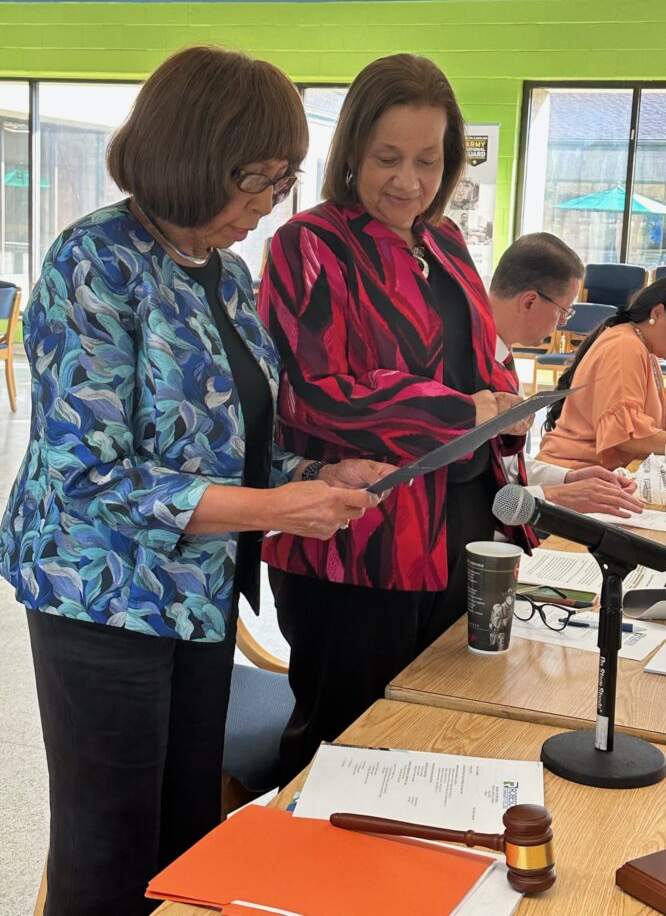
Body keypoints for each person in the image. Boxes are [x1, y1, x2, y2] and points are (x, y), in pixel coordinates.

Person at [0, 46, 392, 916]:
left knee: (185, 840)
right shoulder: (92, 262)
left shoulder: (229, 273)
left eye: (282, 181)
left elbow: (239, 448)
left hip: (200, 593)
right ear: (190, 155)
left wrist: (319, 474)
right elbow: (89, 474)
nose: (265, 204)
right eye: (254, 179)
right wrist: (278, 507)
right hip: (101, 598)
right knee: (107, 851)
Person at [258, 52, 535, 785]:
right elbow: (317, 388)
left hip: (465, 521)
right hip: (358, 537)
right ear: (350, 151)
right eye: (387, 158)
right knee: (344, 746)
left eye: (428, 160)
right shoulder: (307, 246)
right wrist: (461, 411)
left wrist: (507, 406)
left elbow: (486, 352)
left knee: (439, 726)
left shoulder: (443, 242)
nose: (410, 182)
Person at [488, 232, 643, 516]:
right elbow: (463, 493)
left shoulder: (501, 357)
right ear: (529, 302)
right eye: (564, 311)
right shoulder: (463, 364)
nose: (562, 323)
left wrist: (567, 477)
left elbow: (508, 465)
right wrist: (554, 495)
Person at [537, 275, 666, 469]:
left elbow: (641, 408)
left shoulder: (641, 345)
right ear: (657, 313)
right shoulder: (625, 346)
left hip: (596, 472)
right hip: (576, 472)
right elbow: (625, 436)